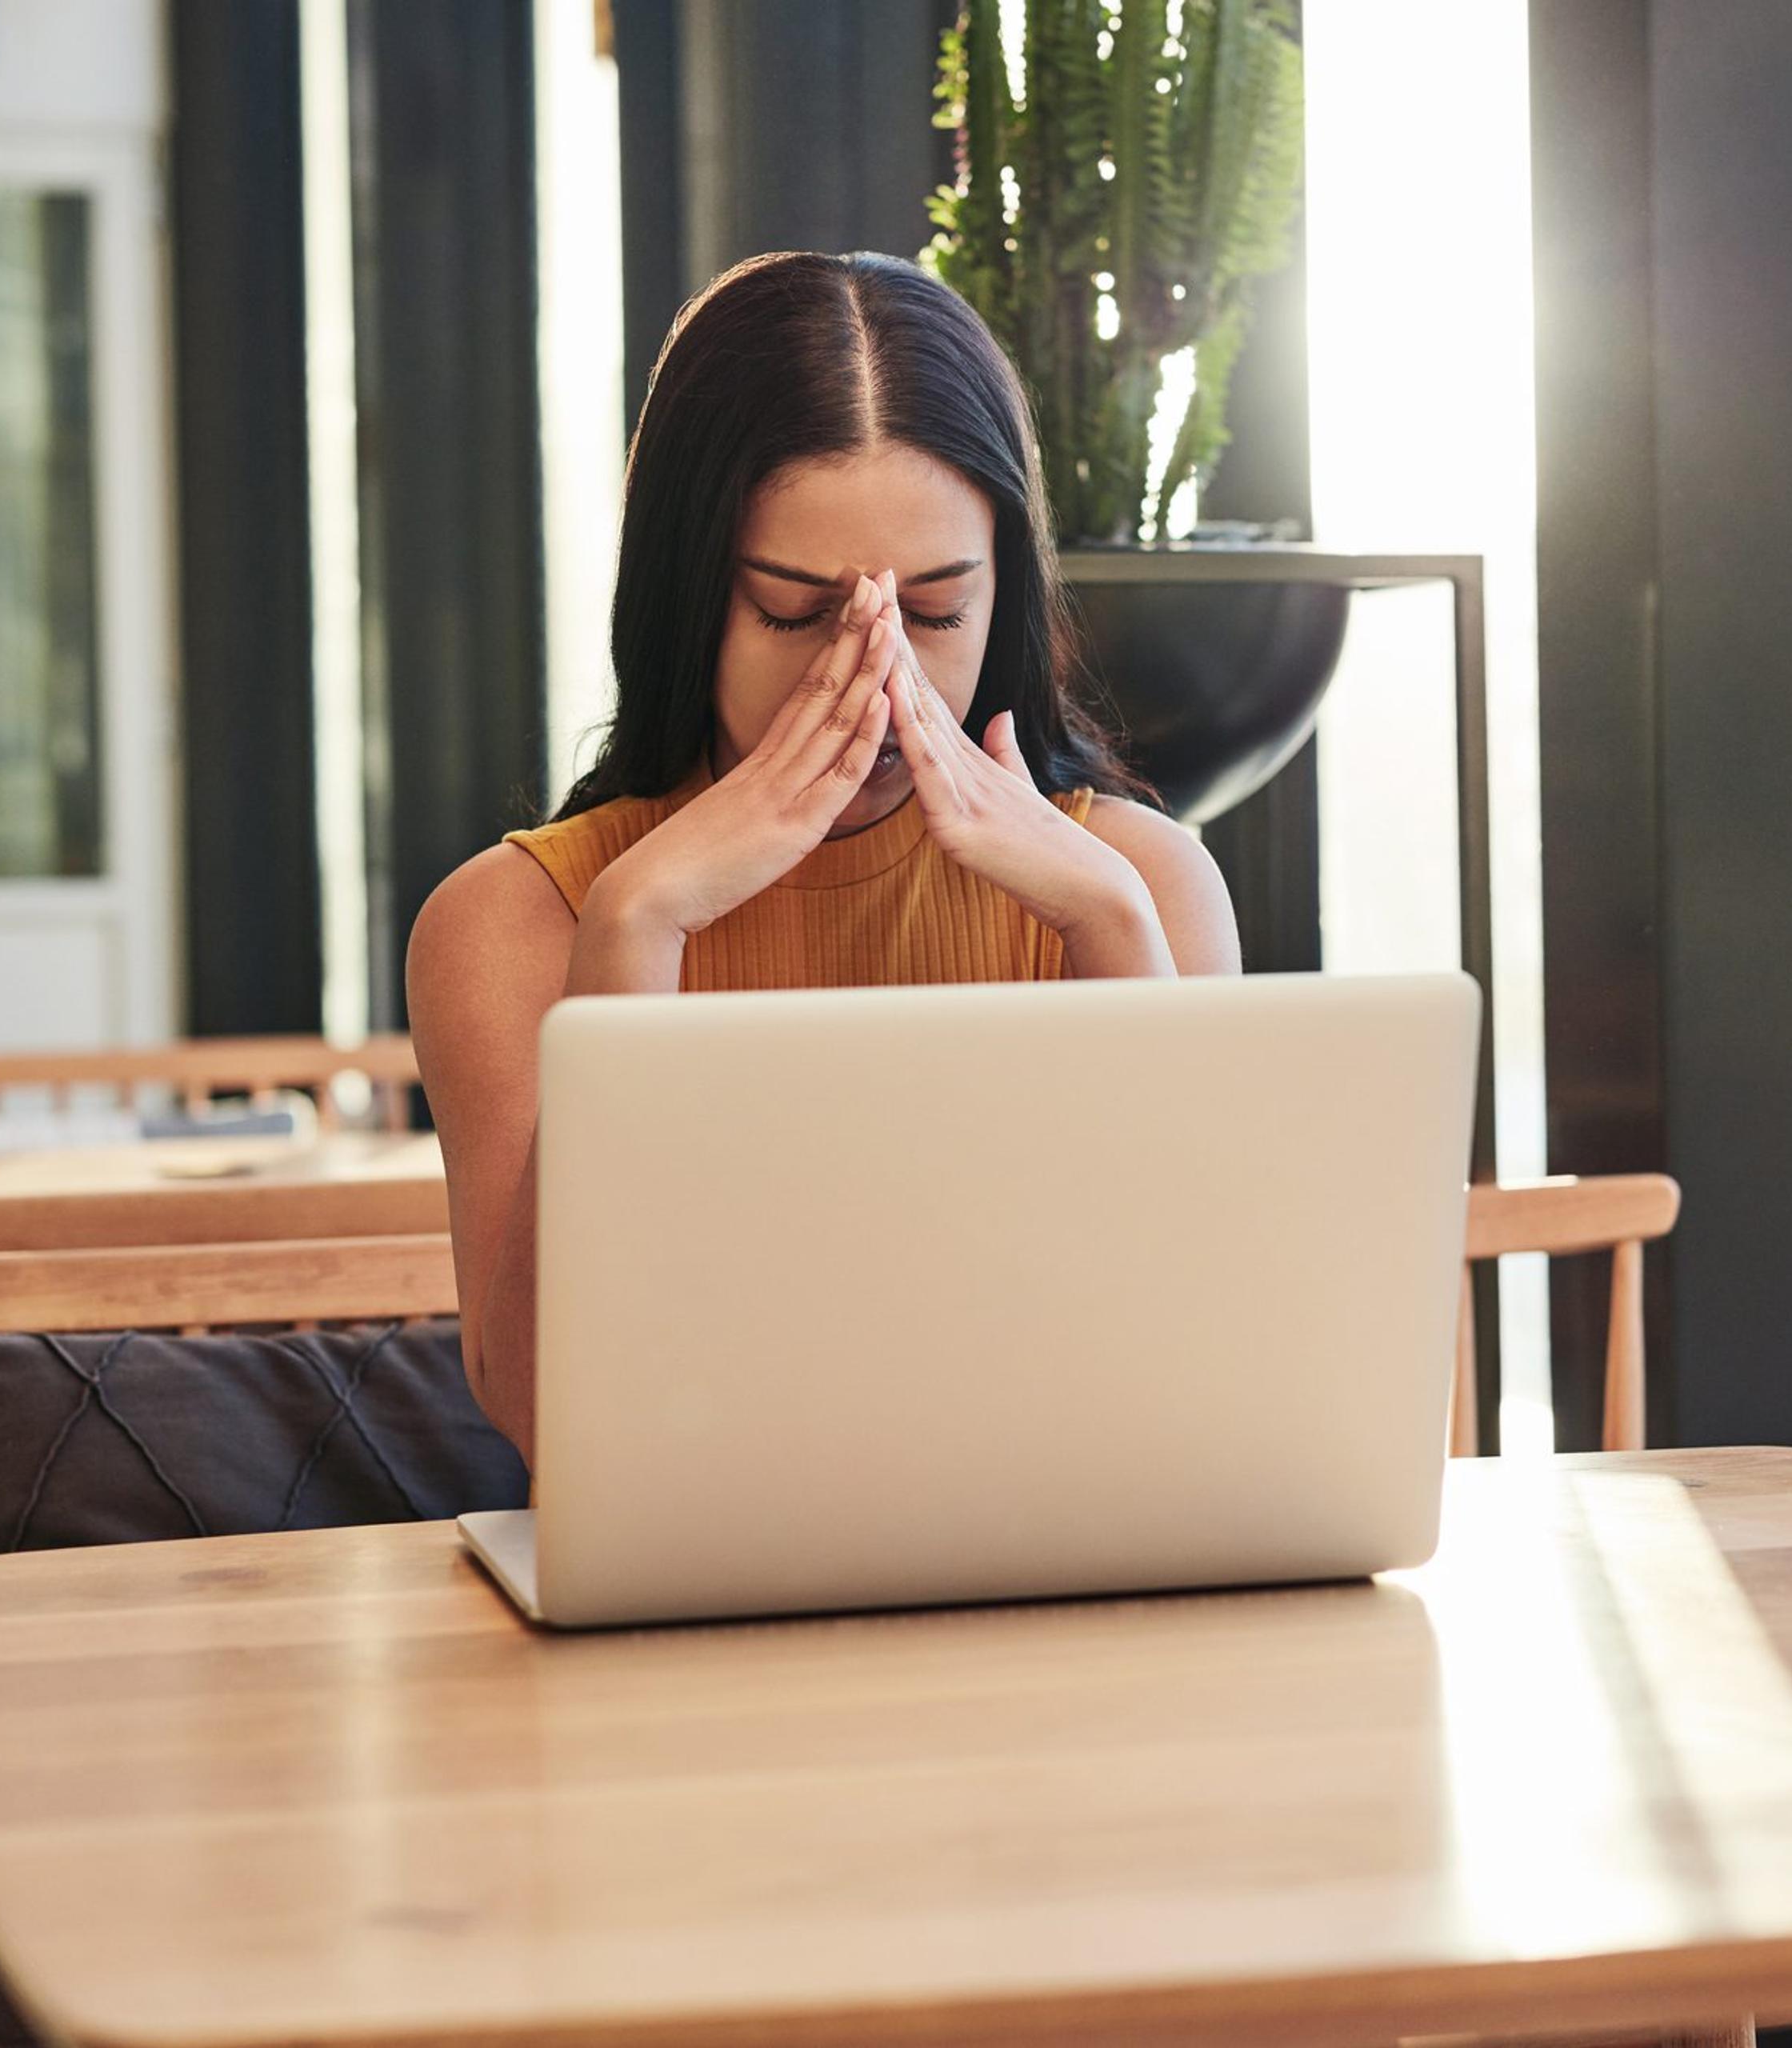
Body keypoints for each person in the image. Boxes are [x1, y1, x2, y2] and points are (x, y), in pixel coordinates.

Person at [409, 250, 1240, 1459]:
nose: (877, 675)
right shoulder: (520, 921)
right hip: (681, 1610)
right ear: (689, 594)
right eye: (797, 615)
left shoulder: (1144, 887)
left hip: (1064, 1583)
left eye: (939, 613)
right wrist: (637, 928)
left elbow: (1195, 1369)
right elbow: (546, 1411)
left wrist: (1108, 924)